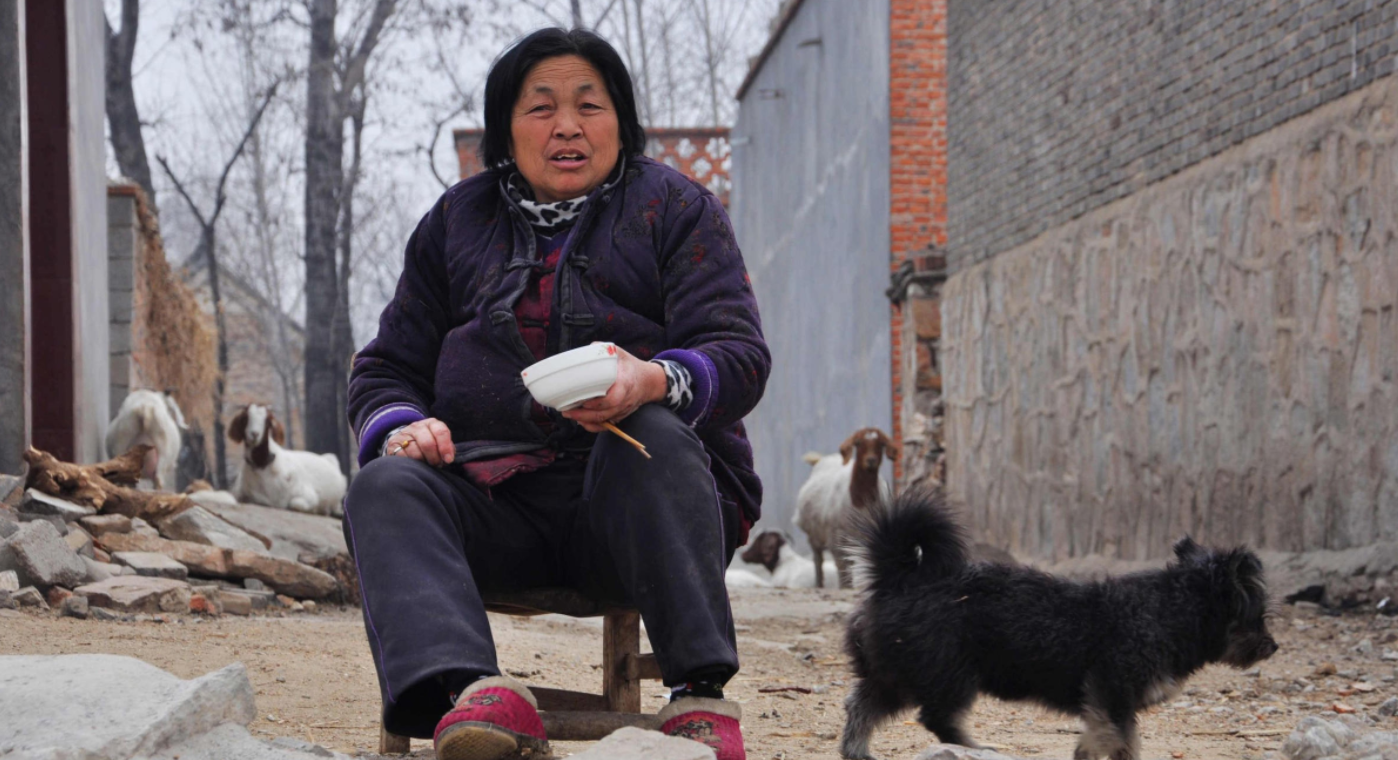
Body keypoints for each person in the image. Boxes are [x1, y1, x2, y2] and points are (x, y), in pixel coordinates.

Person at [343, 27, 769, 760]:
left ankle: (698, 695)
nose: (568, 126)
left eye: (589, 106)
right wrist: (405, 429)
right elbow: (385, 368)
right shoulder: (455, 222)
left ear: (621, 121)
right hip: (490, 504)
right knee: (383, 484)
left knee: (659, 433)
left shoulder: (675, 209)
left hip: (636, 514)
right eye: (541, 108)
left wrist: (654, 379)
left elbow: (737, 353)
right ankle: (472, 701)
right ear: (507, 129)